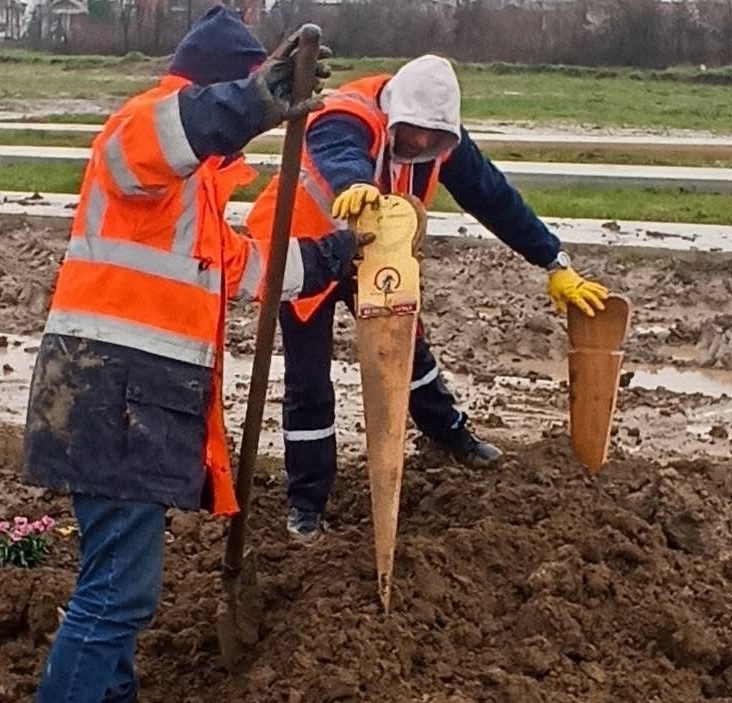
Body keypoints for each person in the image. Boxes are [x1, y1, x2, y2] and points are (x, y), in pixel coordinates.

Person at [6, 8, 364, 703]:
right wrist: (256, 100)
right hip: (109, 390)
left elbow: (249, 269)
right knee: (120, 589)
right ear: (217, 87)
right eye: (239, 100)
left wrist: (338, 254)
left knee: (117, 569)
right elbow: (170, 132)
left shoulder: (197, 190)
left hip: (132, 396)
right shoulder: (143, 134)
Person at [247, 54, 609, 541]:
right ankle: (307, 502)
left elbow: (493, 197)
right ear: (395, 113)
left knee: (406, 349)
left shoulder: (444, 141)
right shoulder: (346, 112)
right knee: (309, 381)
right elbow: (337, 149)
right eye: (412, 134)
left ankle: (450, 435)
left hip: (376, 253)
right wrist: (355, 185)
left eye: (431, 139)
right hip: (304, 250)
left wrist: (553, 261)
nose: (419, 145)